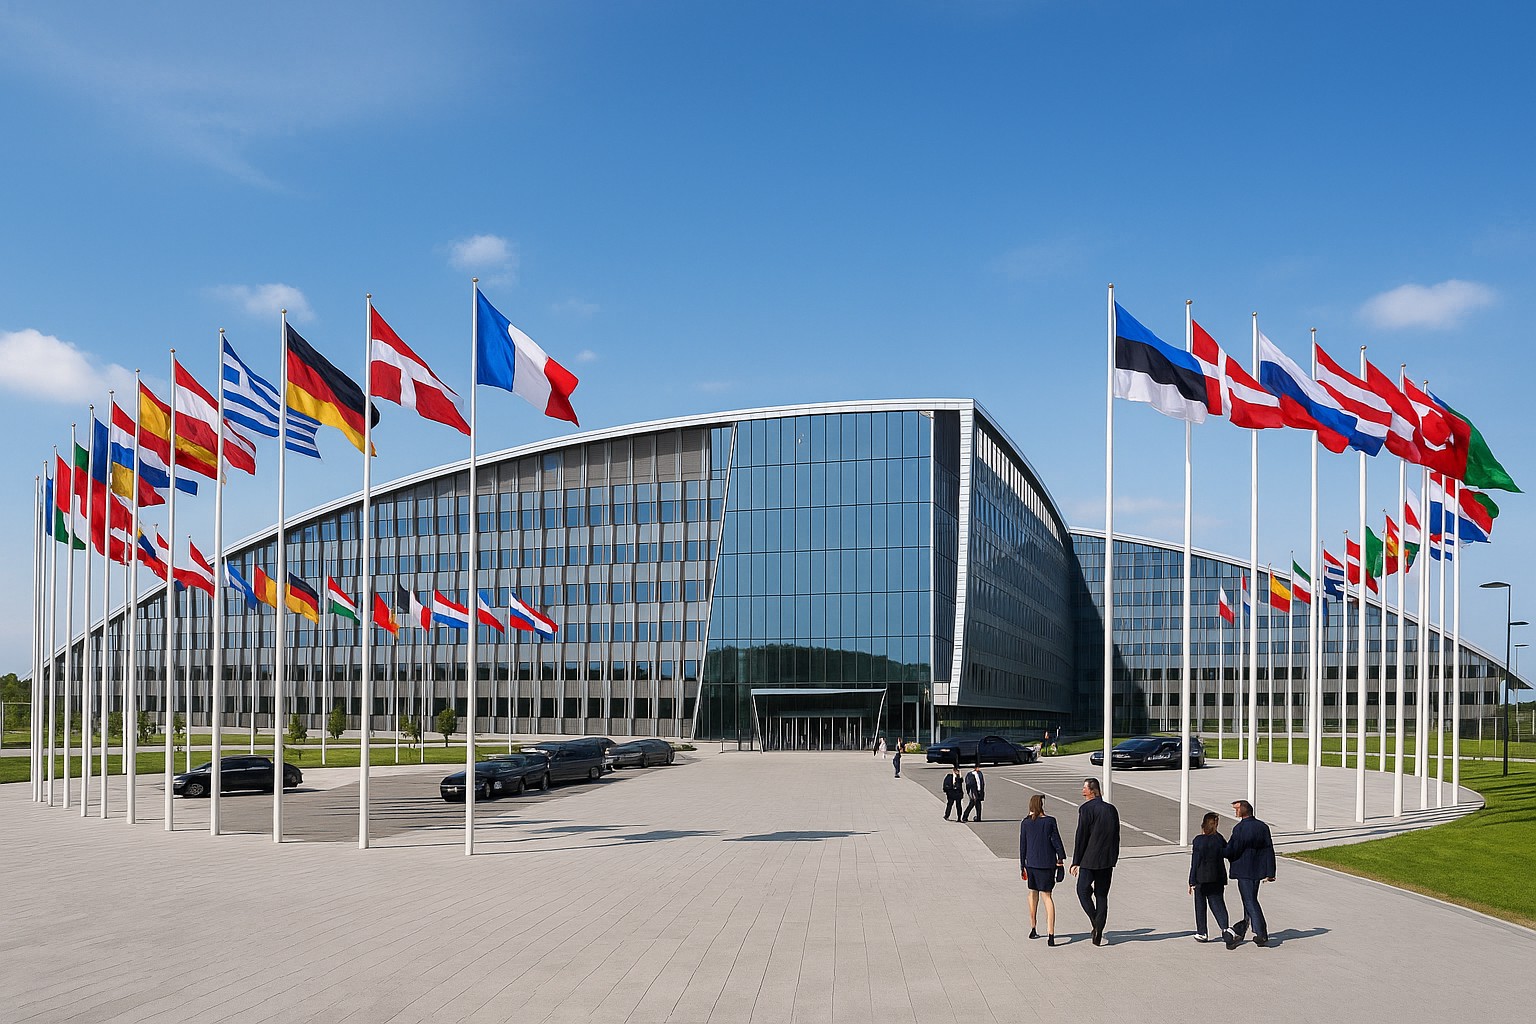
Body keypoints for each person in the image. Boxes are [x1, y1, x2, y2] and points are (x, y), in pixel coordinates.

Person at [1070, 776, 1120, 946]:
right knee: (1101, 895)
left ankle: (1095, 922)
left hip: (1089, 859)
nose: (1082, 791)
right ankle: (1099, 927)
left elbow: (1081, 836)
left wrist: (1076, 860)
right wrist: (1114, 856)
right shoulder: (1111, 809)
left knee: (1082, 890)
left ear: (1093, 790)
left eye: (1084, 788)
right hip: (1107, 859)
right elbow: (1116, 836)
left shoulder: (1086, 809)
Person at [1226, 799, 1276, 947]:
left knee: (1249, 900)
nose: (1235, 811)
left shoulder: (1240, 829)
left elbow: (1233, 849)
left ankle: (1261, 933)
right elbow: (1269, 849)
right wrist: (1270, 871)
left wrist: (1218, 851)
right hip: (1258, 870)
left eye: (1236, 809)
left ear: (1243, 810)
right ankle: (1245, 927)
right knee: (1250, 899)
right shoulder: (1263, 827)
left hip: (1244, 870)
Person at [1019, 794, 1067, 946]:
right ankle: (1051, 934)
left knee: (1033, 893)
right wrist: (1061, 859)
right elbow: (1056, 841)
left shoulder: (1025, 823)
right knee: (1047, 897)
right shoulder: (1050, 821)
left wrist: (1022, 865)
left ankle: (1033, 927)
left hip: (1031, 864)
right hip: (1047, 865)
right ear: (1042, 805)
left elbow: (1022, 846)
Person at [1189, 811, 1236, 949]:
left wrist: (1191, 880)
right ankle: (1225, 928)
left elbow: (1195, 862)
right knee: (1218, 903)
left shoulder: (1198, 840)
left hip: (1201, 879)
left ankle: (1202, 932)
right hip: (1217, 877)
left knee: (1200, 906)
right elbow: (1228, 853)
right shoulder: (1218, 839)